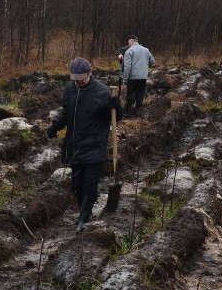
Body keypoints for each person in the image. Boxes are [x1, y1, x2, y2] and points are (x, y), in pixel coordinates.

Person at [46, 57, 121, 231]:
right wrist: (55, 125)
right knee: (76, 186)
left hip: (95, 145)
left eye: (82, 78)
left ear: (89, 73)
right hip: (75, 145)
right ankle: (85, 213)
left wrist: (116, 107)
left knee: (90, 185)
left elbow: (115, 118)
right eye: (75, 79)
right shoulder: (71, 90)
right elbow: (66, 112)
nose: (79, 82)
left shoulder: (102, 92)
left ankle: (84, 219)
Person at [122, 35, 155, 117]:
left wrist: (125, 79)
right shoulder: (146, 50)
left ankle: (127, 113)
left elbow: (127, 67)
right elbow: (152, 62)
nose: (128, 44)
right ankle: (138, 112)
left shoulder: (129, 51)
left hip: (132, 77)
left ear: (131, 41)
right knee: (140, 95)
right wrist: (144, 67)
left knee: (129, 95)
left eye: (128, 42)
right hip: (143, 77)